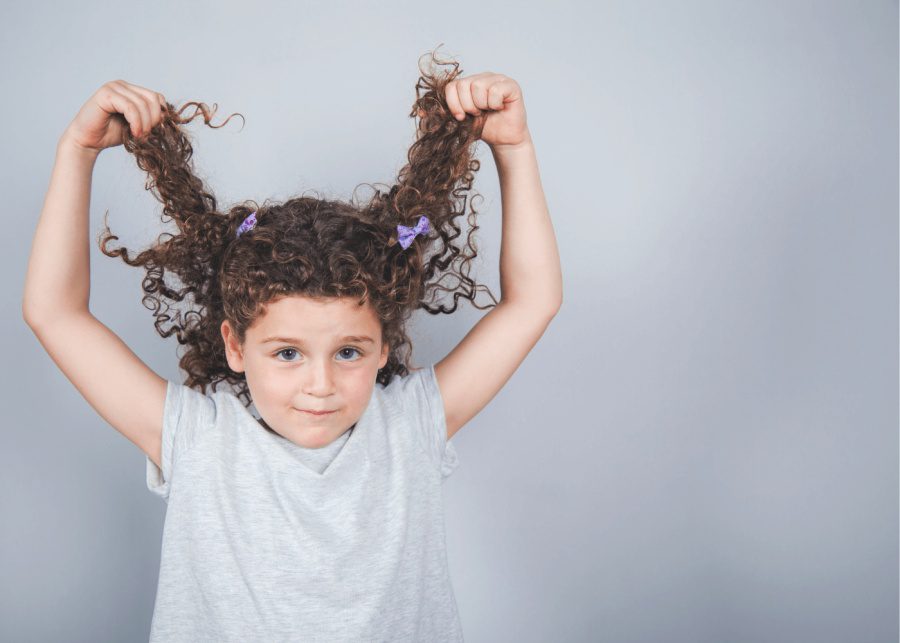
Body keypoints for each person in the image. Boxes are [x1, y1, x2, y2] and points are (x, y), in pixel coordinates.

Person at [22, 49, 562, 641]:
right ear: (234, 344)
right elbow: (56, 313)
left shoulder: (410, 425)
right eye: (286, 353)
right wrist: (75, 153)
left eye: (349, 352)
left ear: (385, 347)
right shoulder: (197, 439)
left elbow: (532, 301)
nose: (320, 384)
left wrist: (513, 150)